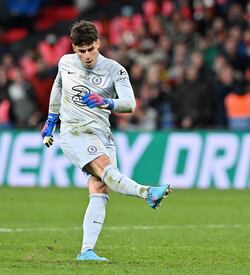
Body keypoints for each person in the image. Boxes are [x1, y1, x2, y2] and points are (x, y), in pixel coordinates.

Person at [40, 20, 172, 262]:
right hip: (75, 133)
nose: (87, 56)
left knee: (101, 188)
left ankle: (86, 251)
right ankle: (147, 192)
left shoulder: (115, 70)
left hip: (102, 133)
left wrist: (105, 102)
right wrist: (50, 122)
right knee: (105, 169)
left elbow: (130, 103)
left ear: (98, 43)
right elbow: (57, 88)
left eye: (91, 48)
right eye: (81, 51)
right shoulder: (65, 63)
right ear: (73, 48)